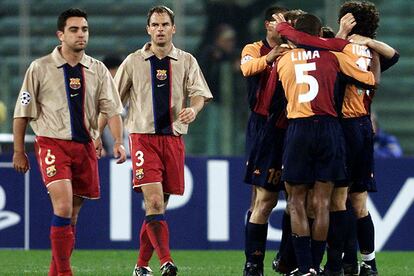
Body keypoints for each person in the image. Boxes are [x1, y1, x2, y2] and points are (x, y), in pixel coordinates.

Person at [12, 8, 126, 276]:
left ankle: (55, 271)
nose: (81, 34)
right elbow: (22, 112)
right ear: (60, 34)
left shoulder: (97, 70)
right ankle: (65, 272)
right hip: (53, 144)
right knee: (62, 206)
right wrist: (19, 150)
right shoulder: (39, 68)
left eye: (84, 29)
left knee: (72, 216)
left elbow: (112, 110)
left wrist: (118, 141)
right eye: (74, 30)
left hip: (84, 146)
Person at [271, 13, 378, 275]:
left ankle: (306, 267)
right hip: (330, 129)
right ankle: (319, 265)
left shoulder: (284, 59)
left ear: (297, 34)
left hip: (299, 128)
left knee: (296, 200)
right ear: (319, 34)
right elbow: (368, 81)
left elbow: (275, 96)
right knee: (322, 202)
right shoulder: (333, 56)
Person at [111, 6, 212, 276]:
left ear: (173, 28)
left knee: (159, 207)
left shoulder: (186, 60)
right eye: (155, 25)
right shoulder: (134, 61)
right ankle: (166, 261)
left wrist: (195, 108)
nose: (160, 29)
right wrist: (104, 135)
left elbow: (199, 94)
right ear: (148, 29)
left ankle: (141, 266)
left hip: (173, 138)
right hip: (143, 138)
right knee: (154, 203)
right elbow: (112, 101)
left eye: (165, 24)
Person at [239, 6, 289, 276]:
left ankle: (286, 257)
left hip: (293, 126)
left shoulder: (294, 50)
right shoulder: (253, 48)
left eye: (289, 23)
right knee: (263, 198)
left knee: (297, 197)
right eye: (280, 22)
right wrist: (271, 56)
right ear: (267, 24)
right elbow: (246, 68)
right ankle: (253, 262)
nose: (284, 27)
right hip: (263, 126)